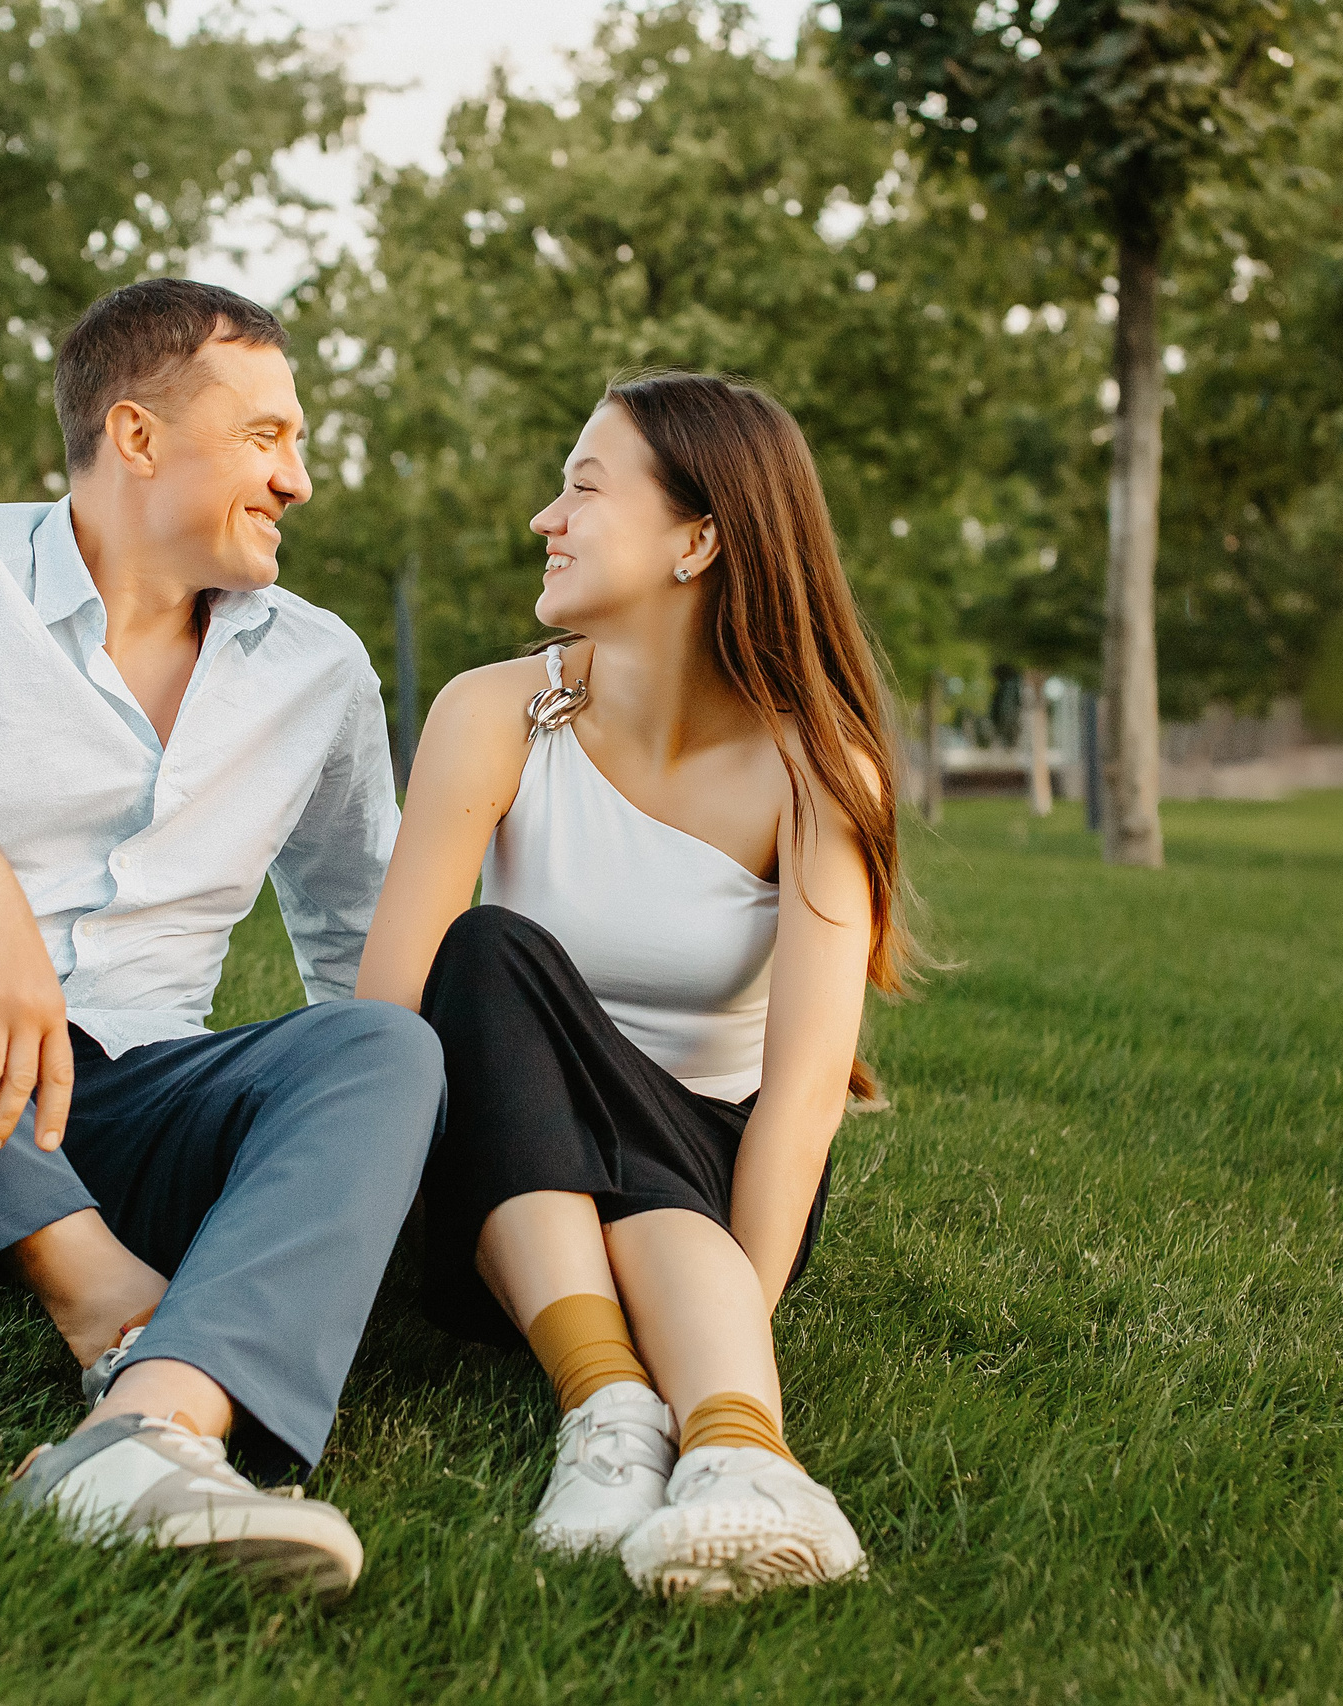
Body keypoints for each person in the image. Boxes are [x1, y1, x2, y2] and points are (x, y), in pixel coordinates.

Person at [0, 278, 441, 1598]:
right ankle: (98, 1289)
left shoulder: (318, 669)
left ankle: (145, 1429)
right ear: (139, 434)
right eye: (268, 436)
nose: (302, 479)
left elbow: (361, 940)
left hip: (125, 1104)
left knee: (382, 1044)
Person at [355, 371, 912, 1599]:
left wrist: (734, 1311)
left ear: (698, 539)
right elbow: (386, 1023)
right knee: (488, 956)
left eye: (582, 487)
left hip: (710, 1197)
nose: (544, 518)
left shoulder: (819, 768)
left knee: (646, 1181)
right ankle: (606, 1406)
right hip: (500, 1194)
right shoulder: (493, 711)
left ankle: (740, 1451)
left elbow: (804, 1093)